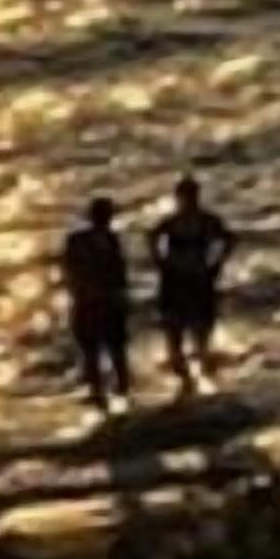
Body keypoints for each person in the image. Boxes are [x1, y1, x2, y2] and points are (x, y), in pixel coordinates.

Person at [149, 174, 239, 389]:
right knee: (174, 334)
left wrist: (217, 264)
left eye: (191, 196)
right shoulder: (170, 223)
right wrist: (160, 262)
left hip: (199, 280)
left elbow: (230, 239)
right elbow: (151, 237)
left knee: (201, 334)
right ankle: (184, 381)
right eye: (184, 196)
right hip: (175, 281)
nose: (188, 201)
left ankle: (205, 379)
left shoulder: (208, 221)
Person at [59, 196, 136, 411]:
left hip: (105, 301)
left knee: (115, 348)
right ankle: (99, 393)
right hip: (90, 301)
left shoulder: (110, 240)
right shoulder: (80, 241)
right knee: (92, 350)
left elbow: (119, 273)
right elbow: (70, 269)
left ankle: (120, 391)